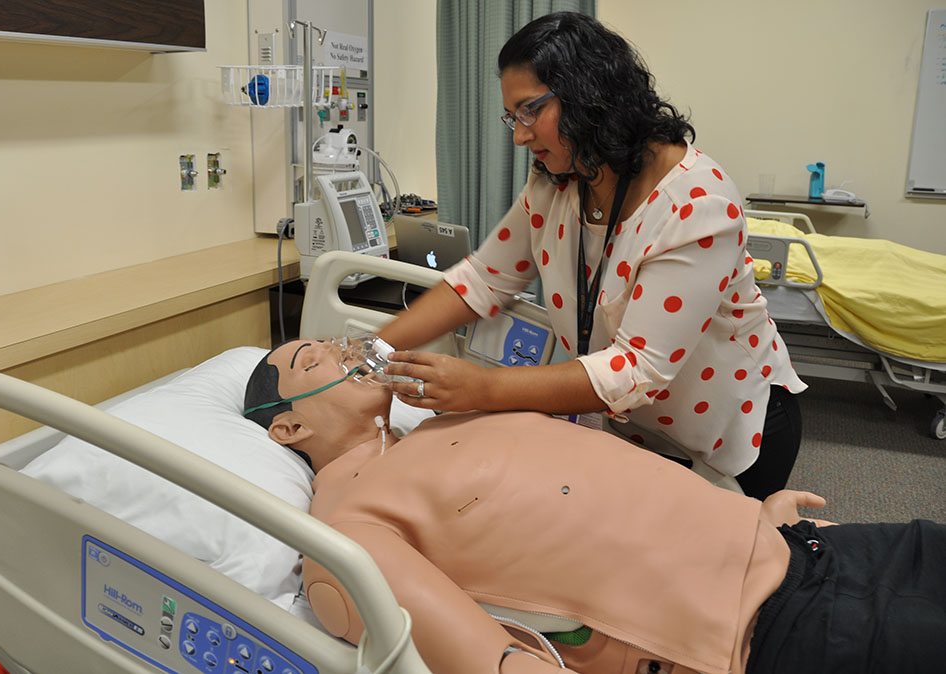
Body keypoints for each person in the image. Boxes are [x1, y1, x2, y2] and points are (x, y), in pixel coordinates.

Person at [243, 339, 946, 674]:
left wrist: (761, 522)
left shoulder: (434, 428)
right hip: (778, 633)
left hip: (808, 546)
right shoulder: (345, 542)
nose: (340, 348)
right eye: (311, 359)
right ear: (289, 427)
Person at [376, 12, 805, 500]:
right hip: (634, 425)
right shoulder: (560, 177)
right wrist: (369, 352)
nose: (519, 135)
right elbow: (482, 279)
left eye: (529, 111)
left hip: (728, 431)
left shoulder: (698, 205)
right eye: (512, 116)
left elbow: (637, 367)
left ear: (587, 94)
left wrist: (483, 389)